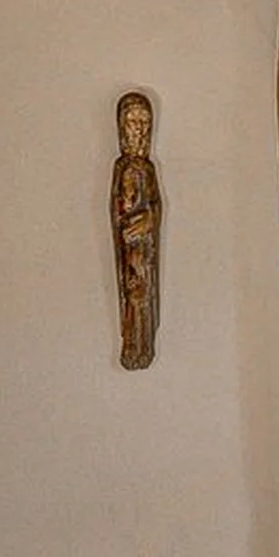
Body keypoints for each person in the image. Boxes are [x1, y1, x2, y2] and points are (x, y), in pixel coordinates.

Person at [112, 89, 161, 370]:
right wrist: (130, 224)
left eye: (144, 123)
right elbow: (119, 210)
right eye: (132, 123)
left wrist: (150, 218)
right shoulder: (123, 168)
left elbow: (155, 205)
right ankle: (133, 345)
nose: (139, 130)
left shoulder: (147, 169)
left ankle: (144, 345)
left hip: (145, 247)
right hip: (131, 249)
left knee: (144, 297)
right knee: (134, 296)